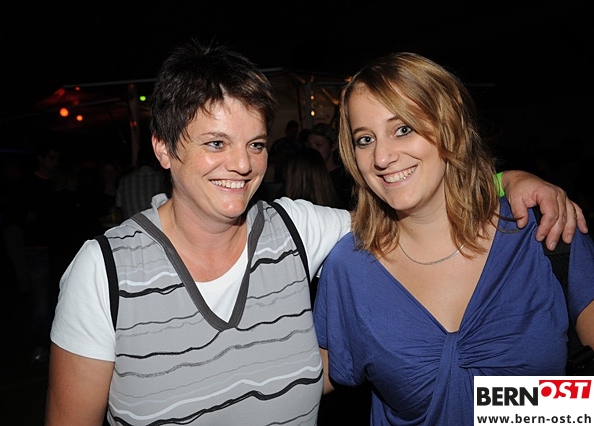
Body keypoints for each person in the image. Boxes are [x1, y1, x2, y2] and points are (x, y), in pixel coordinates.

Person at [45, 40, 585, 426]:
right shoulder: (103, 271)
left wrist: (505, 181)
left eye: (256, 144)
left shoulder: (543, 235)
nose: (241, 164)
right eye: (215, 143)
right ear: (163, 148)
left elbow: (429, 206)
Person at [313, 52, 594, 425]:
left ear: (450, 126)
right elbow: (305, 380)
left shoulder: (543, 232)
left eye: (403, 129)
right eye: (365, 139)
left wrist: (497, 406)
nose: (381, 157)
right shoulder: (350, 267)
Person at [306, 123, 355, 209]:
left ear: (333, 146)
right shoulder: (307, 177)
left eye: (318, 145)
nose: (313, 151)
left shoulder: (344, 179)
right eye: (310, 146)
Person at [115, 142, 167, 220]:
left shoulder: (124, 181)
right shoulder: (161, 179)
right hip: (157, 225)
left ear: (137, 161)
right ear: (155, 161)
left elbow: (119, 208)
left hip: (130, 225)